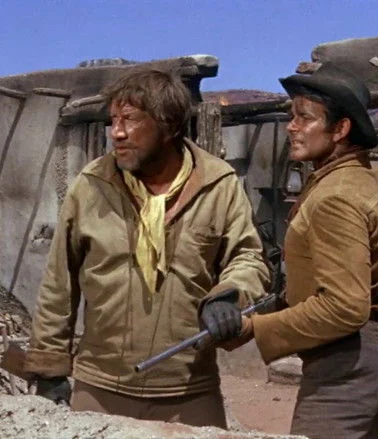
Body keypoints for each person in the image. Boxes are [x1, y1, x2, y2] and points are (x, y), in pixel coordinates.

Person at [24, 69, 270, 428]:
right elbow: (58, 281)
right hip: (100, 388)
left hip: (189, 390)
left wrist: (229, 295)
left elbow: (247, 257)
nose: (116, 133)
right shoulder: (91, 185)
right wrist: (49, 367)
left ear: (168, 126)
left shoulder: (219, 185)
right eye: (113, 121)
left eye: (130, 120)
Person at [231, 63, 378, 439]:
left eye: (305, 118)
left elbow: (344, 307)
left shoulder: (334, 197)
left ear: (340, 129)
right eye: (291, 116)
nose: (291, 127)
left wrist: (256, 328)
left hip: (344, 367)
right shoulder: (370, 179)